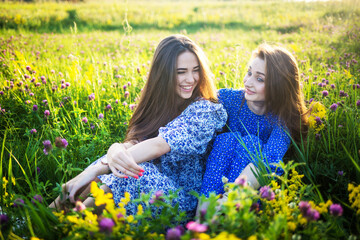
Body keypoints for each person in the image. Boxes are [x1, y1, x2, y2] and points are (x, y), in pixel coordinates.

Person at [50, 34, 227, 217]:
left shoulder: (206, 110)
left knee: (131, 172)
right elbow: (135, 142)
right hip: (147, 191)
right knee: (121, 165)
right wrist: (115, 150)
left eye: (195, 70)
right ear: (163, 73)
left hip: (180, 203)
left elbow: (158, 144)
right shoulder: (159, 105)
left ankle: (68, 226)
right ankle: (39, 220)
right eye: (181, 72)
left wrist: (99, 167)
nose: (190, 79)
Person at [200, 44, 308, 196]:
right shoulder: (229, 99)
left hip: (250, 192)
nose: (248, 82)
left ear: (278, 86)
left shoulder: (282, 119)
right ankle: (203, 211)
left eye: (259, 79)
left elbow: (268, 162)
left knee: (252, 144)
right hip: (218, 172)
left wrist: (228, 200)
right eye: (249, 73)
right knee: (227, 139)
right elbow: (197, 107)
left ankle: (226, 213)